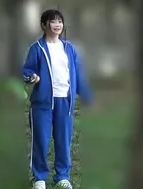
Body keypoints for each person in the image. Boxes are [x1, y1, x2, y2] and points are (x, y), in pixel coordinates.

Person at [23, 9, 94, 189]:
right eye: (53, 22)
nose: (57, 25)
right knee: (41, 140)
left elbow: (78, 74)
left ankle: (62, 177)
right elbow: (27, 70)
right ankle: (39, 178)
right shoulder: (37, 48)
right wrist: (32, 77)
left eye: (60, 22)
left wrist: (87, 96)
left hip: (65, 102)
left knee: (63, 140)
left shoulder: (69, 48)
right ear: (44, 25)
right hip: (43, 103)